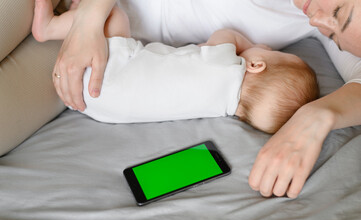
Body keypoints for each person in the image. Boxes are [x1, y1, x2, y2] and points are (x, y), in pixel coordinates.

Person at [44, 0, 361, 198]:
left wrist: (316, 116)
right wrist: (90, 15)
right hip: (95, 28)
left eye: (332, 36)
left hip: (103, 46)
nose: (319, 23)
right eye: (339, 12)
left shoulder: (313, 20)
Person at [32, 0, 318, 134]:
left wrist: (247, 46)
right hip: (97, 106)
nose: (268, 47)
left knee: (115, 17)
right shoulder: (221, 107)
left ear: (255, 64)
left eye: (272, 53)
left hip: (103, 71)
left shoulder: (228, 65)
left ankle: (48, 26)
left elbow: (224, 34)